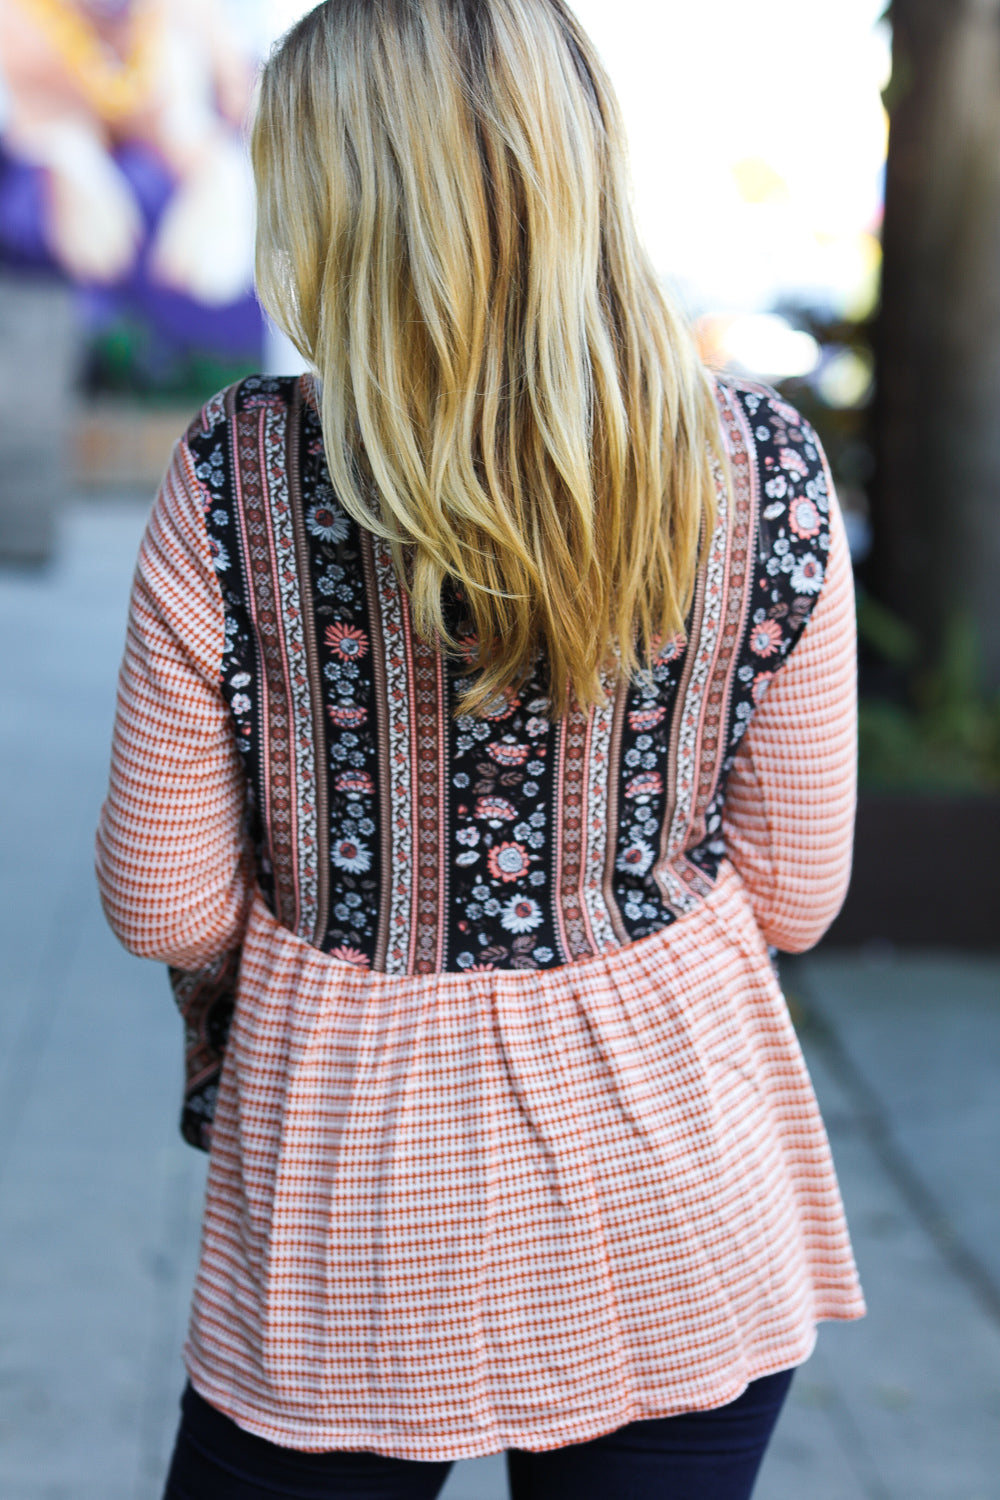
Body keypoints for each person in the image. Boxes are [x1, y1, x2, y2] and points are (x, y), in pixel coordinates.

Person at [95, 2, 865, 1495]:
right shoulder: (766, 469)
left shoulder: (238, 475)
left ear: (334, 198)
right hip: (681, 1183)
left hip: (350, 1202)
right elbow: (796, 891)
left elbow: (164, 907)